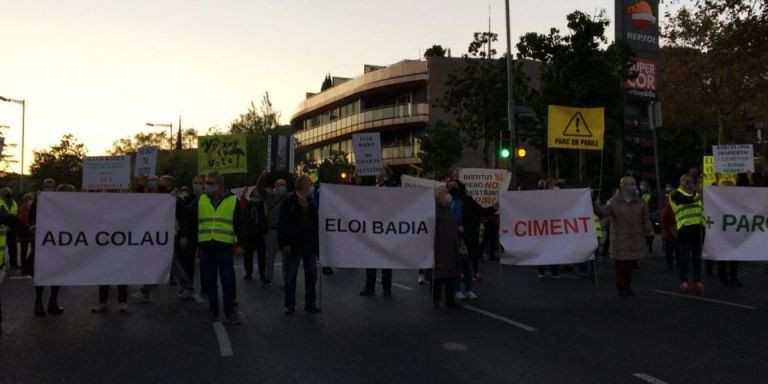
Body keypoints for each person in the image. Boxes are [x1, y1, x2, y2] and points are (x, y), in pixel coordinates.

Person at [190, 170, 245, 324]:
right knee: (209, 281)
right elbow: (187, 214)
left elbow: (239, 224)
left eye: (210, 183)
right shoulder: (201, 200)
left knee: (228, 281)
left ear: (220, 185)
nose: (206, 186)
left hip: (225, 247)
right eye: (206, 183)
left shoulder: (232, 200)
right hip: (207, 247)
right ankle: (213, 311)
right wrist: (171, 199)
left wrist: (240, 244)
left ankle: (230, 312)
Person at [595, 176, 654, 297]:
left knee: (630, 265)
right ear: (623, 186)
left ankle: (627, 285)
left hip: (635, 238)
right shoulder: (614, 201)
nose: (634, 186)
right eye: (631, 184)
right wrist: (596, 206)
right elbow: (603, 212)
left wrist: (650, 232)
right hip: (619, 239)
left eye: (634, 183)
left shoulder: (639, 201)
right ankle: (622, 286)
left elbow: (645, 218)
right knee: (621, 265)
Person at [446, 178, 495, 299]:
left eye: (455, 185)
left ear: (460, 187)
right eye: (450, 186)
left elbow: (480, 210)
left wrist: (493, 207)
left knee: (466, 263)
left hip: (466, 236)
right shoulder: (445, 202)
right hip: (451, 236)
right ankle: (457, 289)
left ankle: (468, 290)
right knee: (455, 264)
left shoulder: (466, 200)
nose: (453, 188)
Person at [278, 175, 320, 314]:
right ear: (303, 186)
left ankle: (310, 302)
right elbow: (283, 224)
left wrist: (317, 244)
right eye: (309, 184)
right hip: (294, 244)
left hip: (309, 244)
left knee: (312, 275)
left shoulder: (311, 202)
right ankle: (290, 304)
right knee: (291, 276)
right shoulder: (289, 201)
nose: (311, 186)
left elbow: (315, 224)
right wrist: (285, 243)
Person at [28, 180, 66, 316]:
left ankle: (52, 302)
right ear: (43, 188)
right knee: (41, 273)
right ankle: (38, 303)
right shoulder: (38, 201)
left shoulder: (59, 202)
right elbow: (31, 219)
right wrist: (34, 226)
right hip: (42, 242)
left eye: (52, 186)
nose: (49, 188)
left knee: (57, 273)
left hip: (57, 242)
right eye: (47, 186)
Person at [360, 166, 396, 296]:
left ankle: (387, 287)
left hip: (386, 229)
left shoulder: (390, 187)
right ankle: (370, 286)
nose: (379, 173)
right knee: (371, 258)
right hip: (374, 228)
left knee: (386, 259)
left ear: (387, 174)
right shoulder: (375, 188)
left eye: (382, 171)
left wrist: (386, 182)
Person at [669, 173, 706, 294]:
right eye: (684, 180)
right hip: (685, 230)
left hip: (698, 230)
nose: (687, 183)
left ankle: (697, 281)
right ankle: (683, 281)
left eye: (690, 181)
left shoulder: (696, 195)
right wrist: (698, 196)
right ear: (680, 182)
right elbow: (685, 201)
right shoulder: (675, 194)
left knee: (697, 258)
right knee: (684, 258)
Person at [256, 171, 289, 287]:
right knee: (270, 255)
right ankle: (268, 277)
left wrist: (296, 178)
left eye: (284, 185)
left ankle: (286, 279)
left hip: (285, 231)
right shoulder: (270, 197)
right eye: (280, 185)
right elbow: (259, 189)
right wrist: (262, 177)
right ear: (275, 187)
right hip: (273, 230)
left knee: (286, 256)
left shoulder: (289, 198)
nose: (282, 187)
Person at [432, 186, 459, 309]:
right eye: (445, 193)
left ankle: (450, 300)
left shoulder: (449, 208)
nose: (448, 196)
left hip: (450, 246)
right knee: (437, 276)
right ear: (439, 196)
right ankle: (436, 300)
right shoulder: (435, 209)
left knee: (451, 275)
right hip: (439, 247)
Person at [239, 186, 266, 282]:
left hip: (260, 232)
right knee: (248, 255)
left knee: (261, 256)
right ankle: (248, 273)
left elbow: (264, 218)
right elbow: (243, 219)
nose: (255, 198)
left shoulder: (263, 205)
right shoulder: (247, 206)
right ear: (250, 197)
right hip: (249, 233)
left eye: (257, 196)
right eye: (254, 196)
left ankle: (262, 274)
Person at [538, 178, 561, 278]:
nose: (555, 187)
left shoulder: (556, 196)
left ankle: (554, 271)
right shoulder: (542, 197)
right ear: (548, 186)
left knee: (553, 251)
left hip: (553, 227)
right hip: (543, 228)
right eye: (553, 185)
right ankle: (542, 271)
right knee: (543, 250)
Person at [0, 187, 19, 270]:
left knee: (13, 248)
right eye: (6, 192)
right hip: (2, 229)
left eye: (9, 192)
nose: (7, 194)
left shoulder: (14, 203)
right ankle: (1, 263)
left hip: (12, 229)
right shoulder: (0, 203)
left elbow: (16, 214)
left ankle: (13, 264)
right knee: (1, 248)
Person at [17, 193, 34, 275]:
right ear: (24, 201)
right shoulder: (21, 209)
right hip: (24, 233)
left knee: (34, 251)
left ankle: (31, 266)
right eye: (28, 199)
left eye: (31, 199)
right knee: (24, 250)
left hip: (32, 233)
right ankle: (23, 267)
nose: (29, 201)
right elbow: (20, 220)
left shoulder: (34, 209)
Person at [660, 193, 677, 270]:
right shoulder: (667, 208)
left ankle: (675, 263)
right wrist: (671, 226)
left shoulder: (673, 208)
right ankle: (670, 263)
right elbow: (663, 222)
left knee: (676, 249)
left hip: (674, 232)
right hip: (669, 233)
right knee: (669, 249)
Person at [639, 181, 654, 253]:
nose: (642, 186)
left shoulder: (648, 194)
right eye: (641, 185)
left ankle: (649, 247)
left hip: (648, 216)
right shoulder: (639, 193)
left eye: (643, 185)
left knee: (650, 234)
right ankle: (646, 247)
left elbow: (645, 202)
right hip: (642, 216)